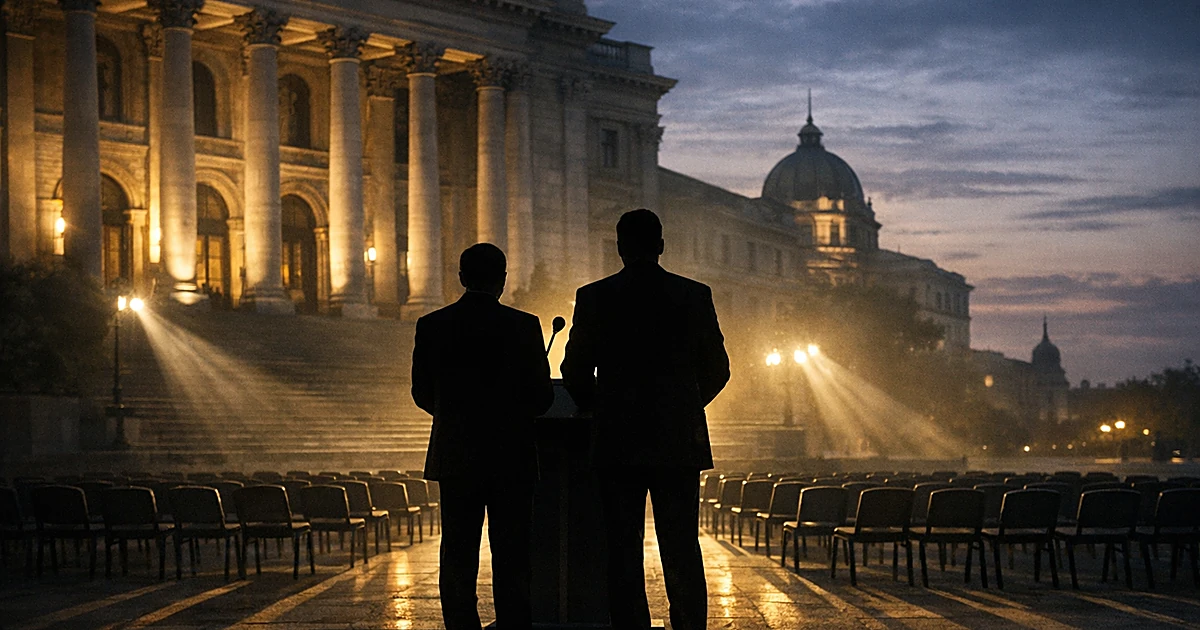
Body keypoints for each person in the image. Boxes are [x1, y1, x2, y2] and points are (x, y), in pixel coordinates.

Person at [561, 209, 730, 630]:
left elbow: (575, 371)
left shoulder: (594, 297)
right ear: (660, 246)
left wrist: (598, 408)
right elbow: (718, 369)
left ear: (619, 248)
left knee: (621, 547)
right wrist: (687, 405)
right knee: (681, 545)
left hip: (617, 438)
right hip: (677, 438)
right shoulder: (693, 295)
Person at [411, 243, 554, 630]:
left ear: (461, 277)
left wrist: (457, 418)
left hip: (456, 455)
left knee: (457, 554)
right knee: (513, 557)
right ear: (503, 280)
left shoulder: (433, 325)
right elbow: (542, 398)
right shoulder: (524, 325)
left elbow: (422, 393)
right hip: (513, 457)